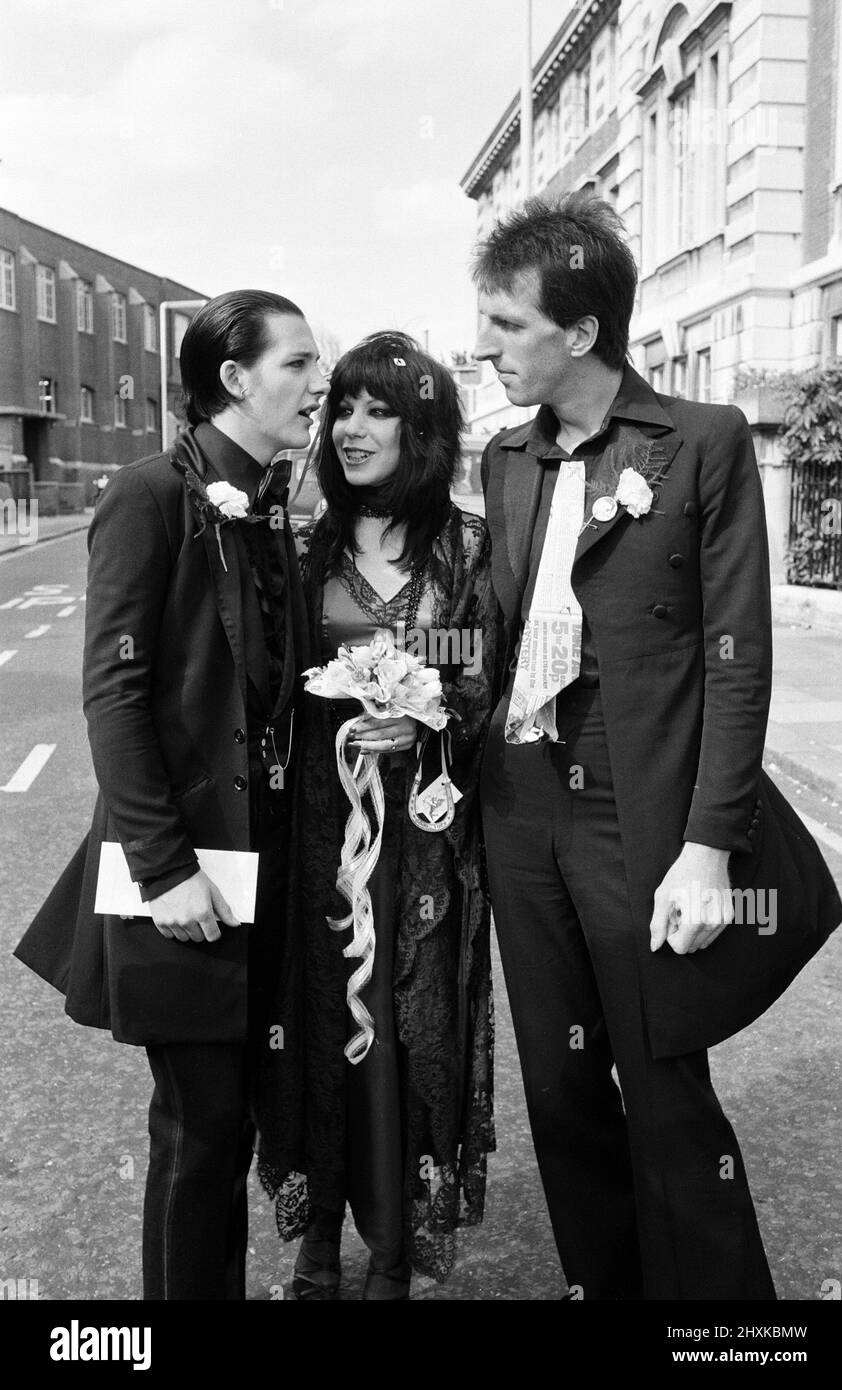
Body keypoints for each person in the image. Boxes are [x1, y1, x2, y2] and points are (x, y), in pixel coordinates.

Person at [473, 194, 842, 1301]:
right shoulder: (504, 459)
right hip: (517, 795)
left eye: (504, 324)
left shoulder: (702, 441)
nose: (485, 346)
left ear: (578, 330)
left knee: (662, 1078)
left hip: (632, 803)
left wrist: (706, 844)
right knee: (559, 1085)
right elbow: (492, 636)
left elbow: (738, 660)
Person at [14, 290, 327, 1300]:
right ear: (234, 378)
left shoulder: (270, 498)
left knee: (232, 1120)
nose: (318, 384)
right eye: (299, 364)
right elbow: (113, 693)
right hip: (186, 872)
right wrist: (164, 869)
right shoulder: (150, 493)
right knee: (198, 1130)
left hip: (262, 862)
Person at [254, 331, 499, 1300]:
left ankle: (394, 1247)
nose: (349, 426)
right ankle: (318, 1242)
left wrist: (426, 715)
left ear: (422, 424)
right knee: (315, 1018)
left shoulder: (463, 547)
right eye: (340, 407)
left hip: (426, 844)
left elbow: (479, 676)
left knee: (409, 1025)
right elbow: (267, 679)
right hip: (320, 829)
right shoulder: (304, 543)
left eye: (376, 409)